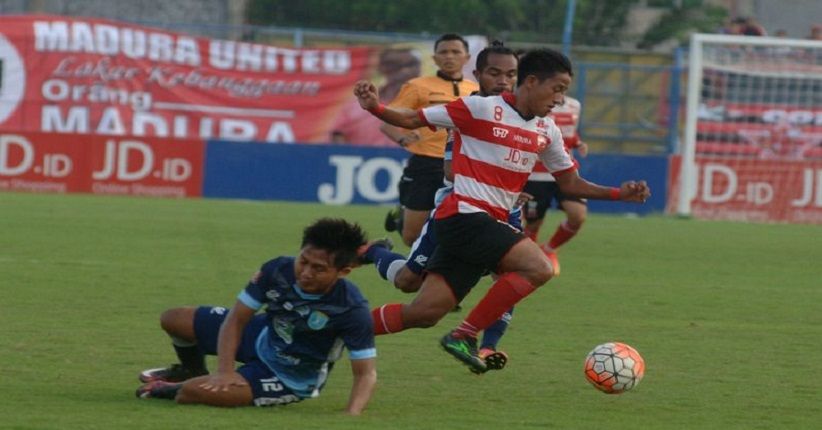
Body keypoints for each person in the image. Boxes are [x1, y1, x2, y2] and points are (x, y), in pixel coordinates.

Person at [354, 48, 651, 373]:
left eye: (565, 91)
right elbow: (412, 118)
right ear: (532, 81)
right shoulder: (479, 108)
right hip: (463, 215)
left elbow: (570, 183)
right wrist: (375, 107)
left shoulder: (547, 130)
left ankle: (338, 328)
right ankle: (465, 334)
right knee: (539, 267)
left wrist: (617, 194)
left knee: (423, 313)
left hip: (484, 227)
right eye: (557, 88)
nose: (560, 98)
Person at [362, 41, 520, 372]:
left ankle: (487, 345)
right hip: (458, 208)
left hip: (504, 211)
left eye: (511, 74)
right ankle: (373, 252)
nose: (504, 81)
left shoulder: (528, 114)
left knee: (513, 274)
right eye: (495, 73)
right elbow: (449, 169)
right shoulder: (469, 109)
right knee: (408, 281)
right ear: (478, 75)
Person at [135, 218, 378, 415]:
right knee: (174, 318)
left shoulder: (352, 309)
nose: (305, 273)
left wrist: (351, 415)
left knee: (192, 393)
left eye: (318, 269)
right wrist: (225, 371)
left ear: (343, 272)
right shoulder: (277, 270)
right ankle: (192, 371)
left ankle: (174, 387)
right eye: (303, 261)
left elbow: (365, 373)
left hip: (287, 376)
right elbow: (236, 319)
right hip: (262, 334)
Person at [381, 33, 478, 247]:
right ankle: (402, 219)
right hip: (426, 164)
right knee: (411, 238)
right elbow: (387, 121)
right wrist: (402, 138)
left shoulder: (475, 90)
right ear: (434, 59)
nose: (449, 57)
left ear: (466, 57)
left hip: (462, 166)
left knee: (461, 229)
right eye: (443, 52)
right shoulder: (417, 85)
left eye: (455, 52)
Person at [522, 95, 588, 262]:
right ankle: (529, 260)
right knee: (532, 224)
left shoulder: (574, 105)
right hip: (536, 175)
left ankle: (549, 249)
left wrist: (578, 143)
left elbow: (568, 134)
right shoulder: (532, 102)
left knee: (577, 214)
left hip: (565, 172)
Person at [330, 48, 422, 147]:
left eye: (410, 64)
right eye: (394, 64)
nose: (403, 70)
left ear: (418, 69)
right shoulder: (357, 105)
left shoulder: (427, 105)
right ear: (381, 68)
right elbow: (338, 135)